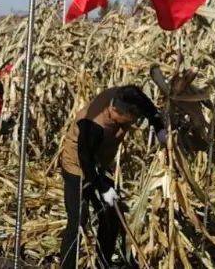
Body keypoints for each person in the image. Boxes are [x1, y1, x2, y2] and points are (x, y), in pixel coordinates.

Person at [58, 85, 168, 269]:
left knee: (111, 215)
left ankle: (103, 263)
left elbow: (150, 109)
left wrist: (160, 130)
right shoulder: (92, 124)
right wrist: (103, 189)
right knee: (78, 220)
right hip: (77, 165)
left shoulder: (129, 98)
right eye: (130, 120)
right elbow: (85, 159)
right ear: (115, 110)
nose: (132, 123)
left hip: (99, 162)